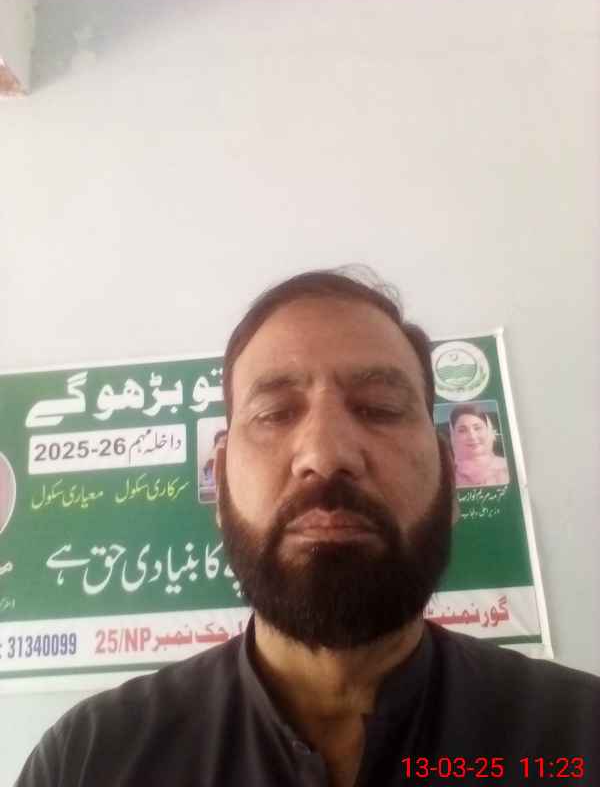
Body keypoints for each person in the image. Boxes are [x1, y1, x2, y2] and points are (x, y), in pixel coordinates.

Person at [15, 268, 600, 787]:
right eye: (275, 413)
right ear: (219, 482)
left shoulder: (578, 737)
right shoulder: (89, 760)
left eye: (378, 408)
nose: (325, 454)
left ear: (450, 479)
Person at [448, 404, 510, 488]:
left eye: (477, 428)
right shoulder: (448, 475)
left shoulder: (507, 468)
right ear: (454, 436)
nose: (472, 436)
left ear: (489, 431)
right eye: (462, 431)